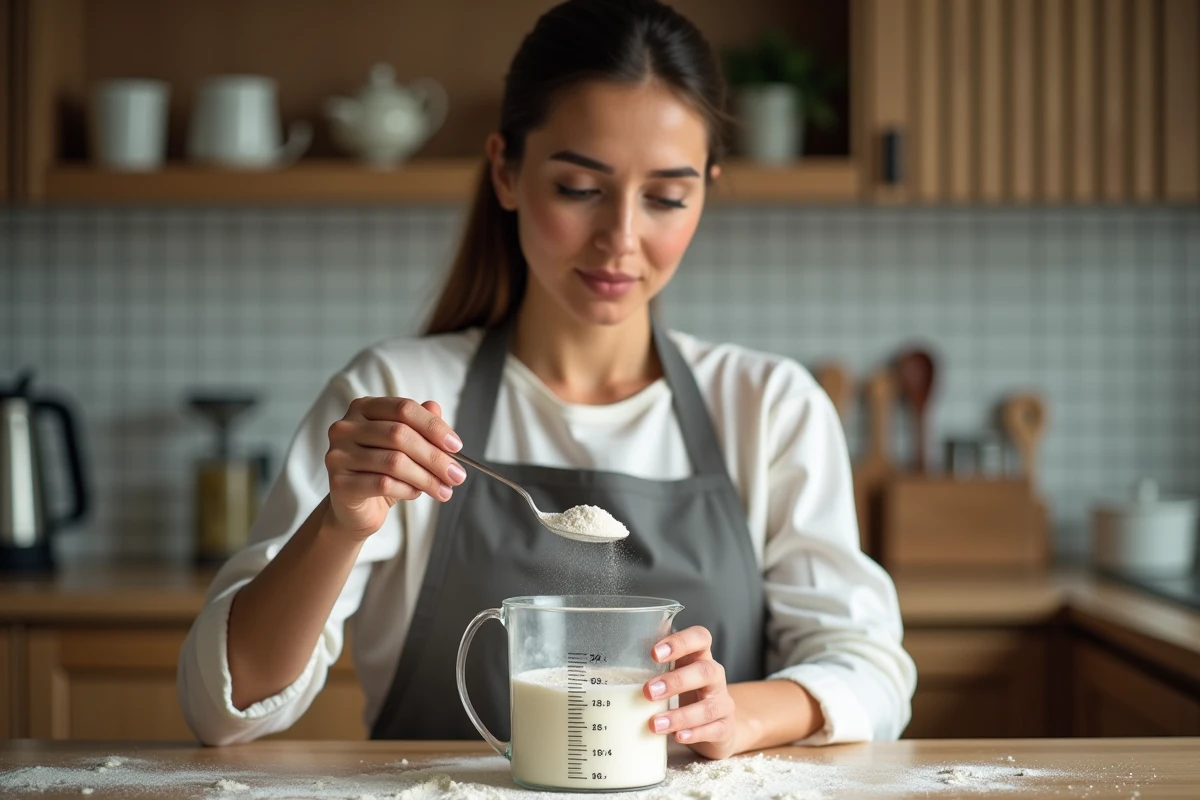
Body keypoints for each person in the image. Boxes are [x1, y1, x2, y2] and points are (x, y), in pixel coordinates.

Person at [177, 0, 916, 759]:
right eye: (579, 188)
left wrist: (741, 714)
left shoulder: (769, 407)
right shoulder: (399, 395)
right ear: (505, 170)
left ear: (706, 189)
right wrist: (340, 525)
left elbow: (871, 670)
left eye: (666, 196)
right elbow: (221, 709)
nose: (621, 240)